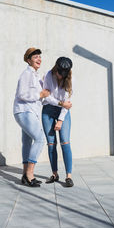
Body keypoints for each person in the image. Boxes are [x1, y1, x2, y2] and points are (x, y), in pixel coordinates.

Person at [13, 47, 50, 187]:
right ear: (28, 60)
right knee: (40, 139)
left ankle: (24, 175)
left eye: (39, 57)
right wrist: (40, 95)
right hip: (24, 111)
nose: (39, 59)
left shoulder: (35, 75)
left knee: (27, 142)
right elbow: (21, 94)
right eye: (35, 57)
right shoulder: (26, 74)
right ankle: (30, 174)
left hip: (29, 112)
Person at [42, 57, 74, 187]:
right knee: (51, 144)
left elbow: (67, 105)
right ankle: (54, 174)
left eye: (63, 74)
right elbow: (46, 97)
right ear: (56, 69)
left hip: (64, 112)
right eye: (60, 73)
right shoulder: (48, 75)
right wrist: (59, 102)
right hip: (48, 110)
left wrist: (60, 120)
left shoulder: (71, 79)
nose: (61, 76)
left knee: (65, 142)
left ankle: (68, 176)